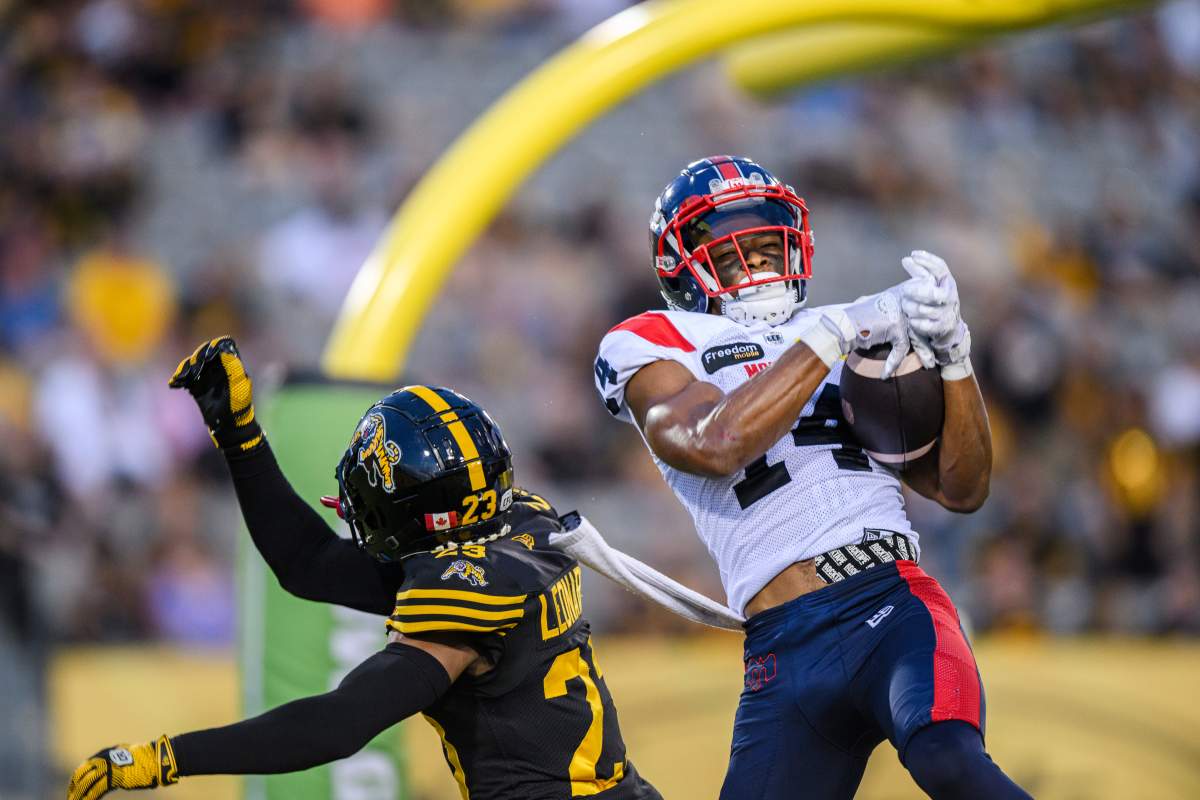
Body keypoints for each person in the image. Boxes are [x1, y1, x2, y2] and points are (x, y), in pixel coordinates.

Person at [593, 156, 1031, 799]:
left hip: (889, 598)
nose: (758, 265)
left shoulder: (857, 323)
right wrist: (833, 335)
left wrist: (954, 356)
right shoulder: (655, 340)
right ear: (681, 265)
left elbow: (963, 488)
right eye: (734, 253)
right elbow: (715, 443)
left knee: (949, 759)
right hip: (783, 646)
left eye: (769, 248)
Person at [68, 336, 661, 800]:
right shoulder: (525, 524)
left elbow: (340, 724)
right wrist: (240, 435)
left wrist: (170, 757)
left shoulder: (462, 596)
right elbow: (310, 565)